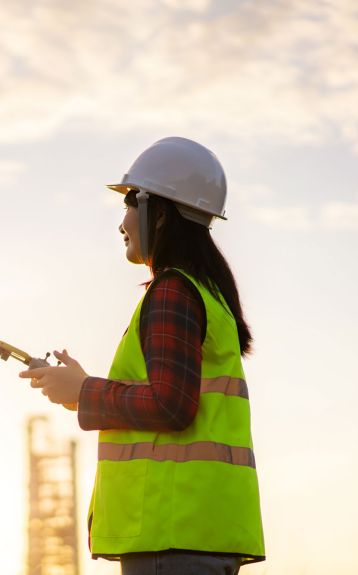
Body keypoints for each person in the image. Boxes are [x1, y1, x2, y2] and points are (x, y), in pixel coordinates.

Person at [19, 137, 265, 575]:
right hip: (202, 530)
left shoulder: (173, 291)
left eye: (129, 205)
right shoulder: (208, 295)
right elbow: (176, 396)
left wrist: (87, 391)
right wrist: (79, 392)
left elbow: (172, 405)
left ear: (160, 212)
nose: (122, 224)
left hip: (171, 535)